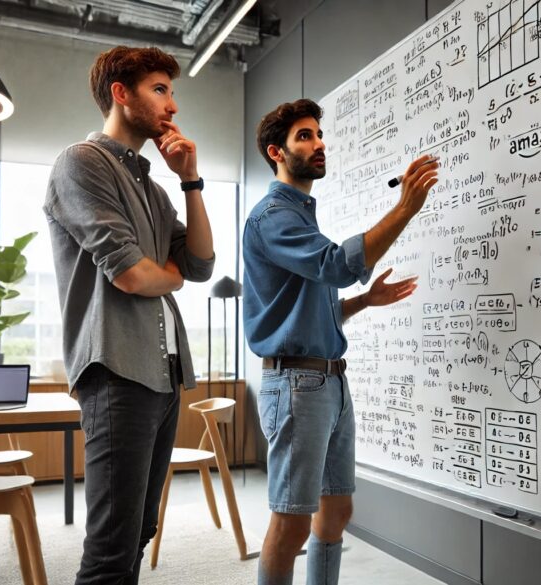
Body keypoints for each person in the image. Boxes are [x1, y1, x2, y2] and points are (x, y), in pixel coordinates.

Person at [243, 98, 439, 584]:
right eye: (304, 137)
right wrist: (406, 208)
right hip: (297, 387)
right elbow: (335, 266)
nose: (318, 144)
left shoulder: (302, 216)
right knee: (290, 524)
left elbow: (312, 310)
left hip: (329, 384)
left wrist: (363, 303)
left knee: (335, 514)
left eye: (318, 134)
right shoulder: (273, 217)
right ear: (276, 152)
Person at [44, 45, 216, 584]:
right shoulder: (81, 162)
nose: (172, 105)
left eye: (171, 91)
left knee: (140, 528)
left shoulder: (155, 188)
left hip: (163, 375)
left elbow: (202, 263)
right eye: (160, 90)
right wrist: (168, 275)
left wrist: (190, 179)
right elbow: (133, 275)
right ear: (121, 94)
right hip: (117, 370)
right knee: (112, 544)